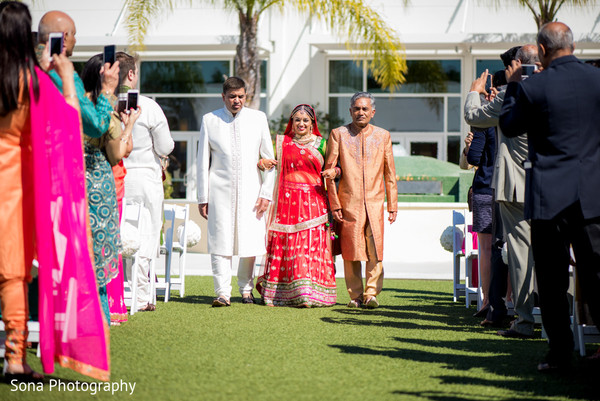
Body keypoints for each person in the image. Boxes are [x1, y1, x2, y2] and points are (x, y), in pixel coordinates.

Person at [1, 1, 109, 381]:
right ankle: (15, 358)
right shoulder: (28, 81)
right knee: (13, 274)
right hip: (12, 185)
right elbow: (66, 123)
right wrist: (63, 74)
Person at [500, 22, 600, 371]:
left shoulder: (534, 87)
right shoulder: (596, 80)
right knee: (596, 273)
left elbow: (510, 126)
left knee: (553, 281)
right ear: (572, 45)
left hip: (549, 197)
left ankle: (560, 355)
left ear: (542, 50)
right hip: (592, 193)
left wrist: (513, 88)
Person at [38, 10, 122, 323]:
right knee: (87, 254)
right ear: (58, 37)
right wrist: (109, 90)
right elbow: (95, 123)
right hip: (71, 175)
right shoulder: (63, 72)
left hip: (34, 171)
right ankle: (93, 322)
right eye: (71, 34)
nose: (75, 40)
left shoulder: (26, 69)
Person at [465, 45, 539, 338]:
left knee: (521, 255)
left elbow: (474, 116)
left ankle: (523, 321)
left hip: (518, 185)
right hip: (559, 182)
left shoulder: (513, 93)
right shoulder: (556, 89)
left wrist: (474, 90)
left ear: (516, 65)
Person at [197, 76, 276, 307]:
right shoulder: (210, 120)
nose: (237, 100)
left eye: (241, 96)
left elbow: (269, 160)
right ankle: (222, 293)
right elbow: (203, 161)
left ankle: (246, 290)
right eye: (232, 96)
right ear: (223, 97)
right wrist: (203, 197)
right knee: (220, 241)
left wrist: (266, 193)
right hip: (219, 191)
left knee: (249, 241)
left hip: (252, 190)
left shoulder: (258, 118)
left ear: (246, 96)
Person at [255, 104, 337, 307]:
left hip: (314, 202)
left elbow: (336, 167)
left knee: (310, 246)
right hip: (287, 204)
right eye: (297, 120)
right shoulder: (283, 142)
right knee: (289, 246)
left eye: (305, 120)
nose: (301, 123)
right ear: (291, 123)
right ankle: (280, 293)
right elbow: (268, 163)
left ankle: (307, 294)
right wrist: (260, 163)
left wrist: (335, 172)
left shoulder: (322, 144)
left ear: (312, 123)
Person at [81, 53, 141, 325]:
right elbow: (117, 153)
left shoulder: (73, 102)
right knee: (101, 253)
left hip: (68, 181)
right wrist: (128, 125)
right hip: (99, 186)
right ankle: (100, 317)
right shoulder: (104, 109)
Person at [324, 92, 398, 309]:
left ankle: (371, 294)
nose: (360, 112)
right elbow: (329, 170)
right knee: (351, 250)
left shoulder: (383, 136)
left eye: (365, 109)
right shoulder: (339, 134)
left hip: (375, 203)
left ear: (373, 112)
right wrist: (335, 203)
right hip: (349, 203)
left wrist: (392, 205)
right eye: (357, 108)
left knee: (375, 249)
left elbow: (390, 174)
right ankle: (355, 296)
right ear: (350, 111)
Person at [118, 51, 174, 312]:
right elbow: (166, 145)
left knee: (119, 234)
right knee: (146, 235)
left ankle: (118, 293)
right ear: (131, 74)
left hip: (117, 176)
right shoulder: (148, 105)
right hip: (145, 178)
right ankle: (140, 296)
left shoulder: (104, 103)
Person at [464, 125, 496, 317]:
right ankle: (509, 300)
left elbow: (474, 158)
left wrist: (469, 147)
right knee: (510, 247)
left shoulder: (483, 123)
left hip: (486, 188)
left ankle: (487, 300)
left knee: (486, 249)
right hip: (515, 189)